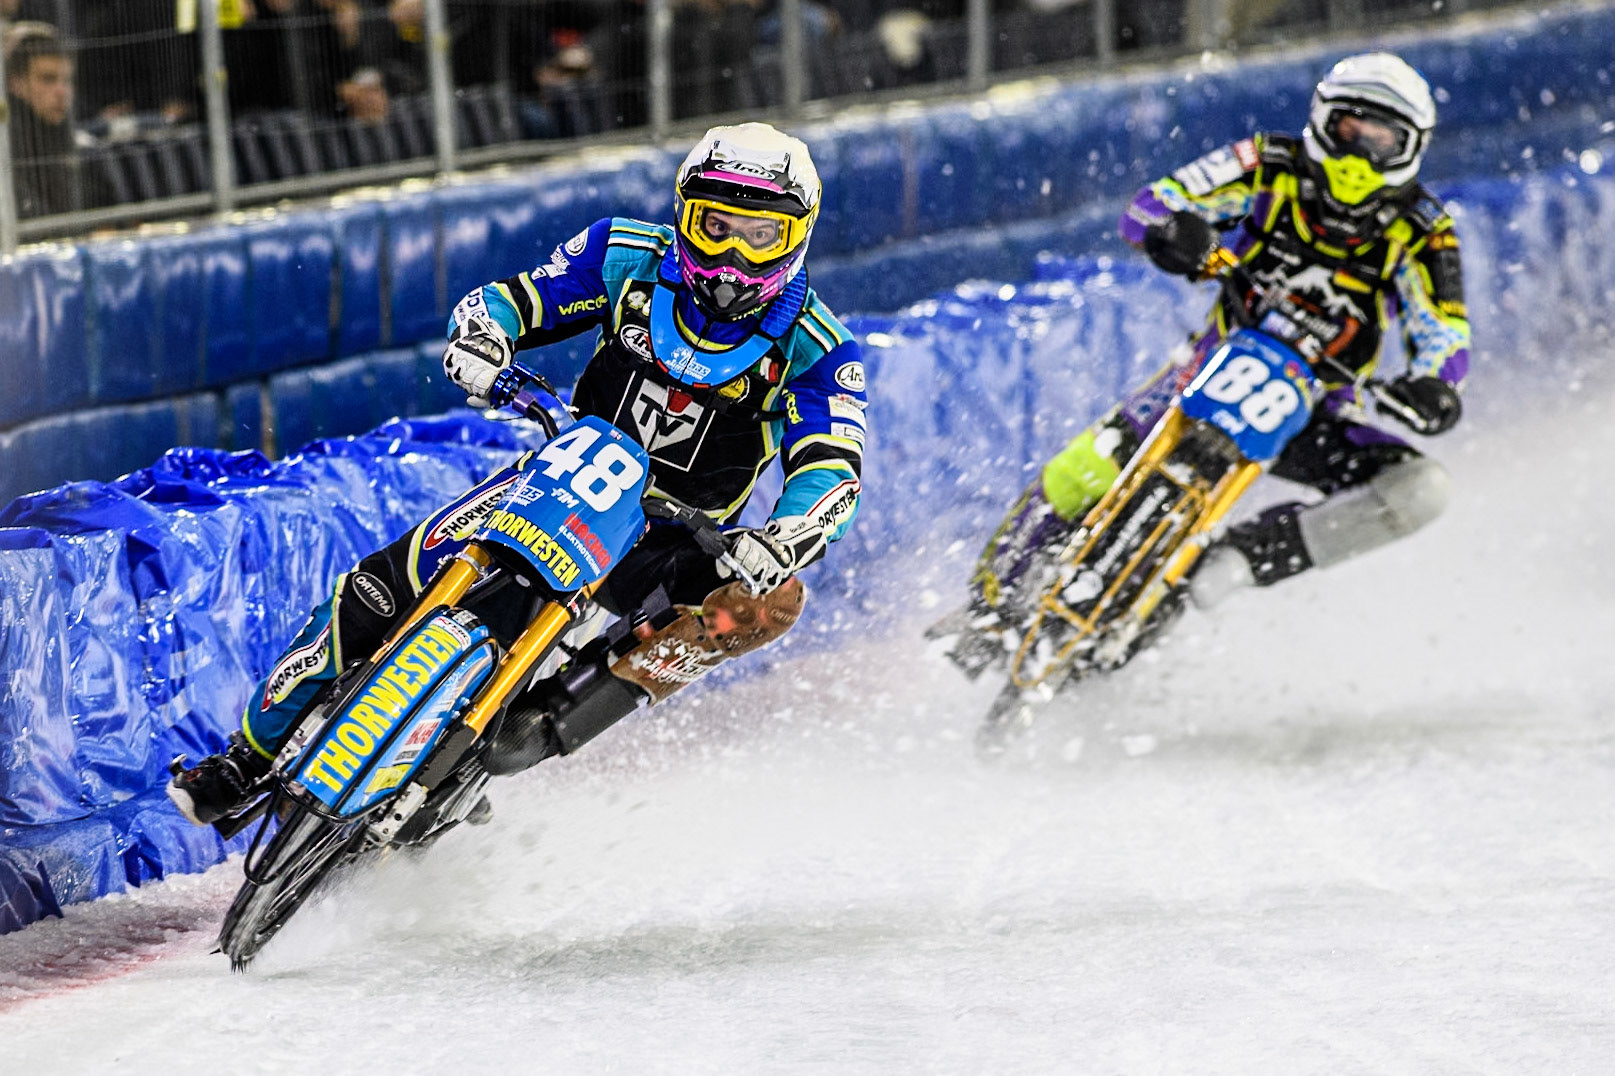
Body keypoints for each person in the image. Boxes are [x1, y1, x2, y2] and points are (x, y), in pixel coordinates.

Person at [169, 122, 867, 824]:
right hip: (560, 478)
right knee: (376, 590)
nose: (729, 256)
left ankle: (549, 717)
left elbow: (832, 464)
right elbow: (518, 298)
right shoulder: (623, 254)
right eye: (715, 226)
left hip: (674, 537)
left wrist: (784, 534)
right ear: (684, 216)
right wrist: (484, 339)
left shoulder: (819, 348)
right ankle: (243, 760)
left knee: (765, 603)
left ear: (796, 237)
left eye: (757, 235)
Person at [959, 52, 1469, 659]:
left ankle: (1242, 557)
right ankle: (986, 610)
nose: (1359, 156)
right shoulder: (1267, 162)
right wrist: (1176, 234)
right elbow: (1152, 204)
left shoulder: (1424, 229)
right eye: (1350, 131)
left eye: (1380, 142)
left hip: (1314, 409)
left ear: (1410, 149)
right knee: (1080, 471)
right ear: (1323, 120)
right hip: (1211, 366)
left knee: (1422, 489)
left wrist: (1434, 390)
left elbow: (1444, 335)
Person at [4, 21, 99, 217]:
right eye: (48, 79)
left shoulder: (73, 141)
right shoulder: (7, 145)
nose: (62, 92)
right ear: (15, 84)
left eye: (67, 80)